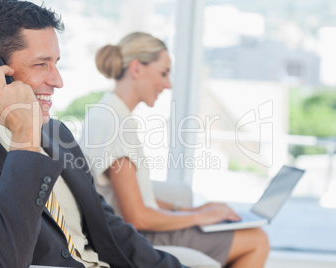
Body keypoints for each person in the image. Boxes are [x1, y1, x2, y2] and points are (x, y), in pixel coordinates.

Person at [0, 2, 187, 268]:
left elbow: (109, 228)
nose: (57, 81)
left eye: (55, 63)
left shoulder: (56, 133)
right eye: (41, 64)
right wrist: (25, 140)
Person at [80, 32, 270, 268]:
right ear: (137, 68)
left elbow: (134, 196)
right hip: (138, 237)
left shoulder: (106, 112)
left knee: (248, 234)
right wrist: (201, 217)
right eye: (163, 73)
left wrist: (191, 209)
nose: (168, 84)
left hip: (130, 231)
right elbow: (136, 216)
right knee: (256, 240)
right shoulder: (115, 123)